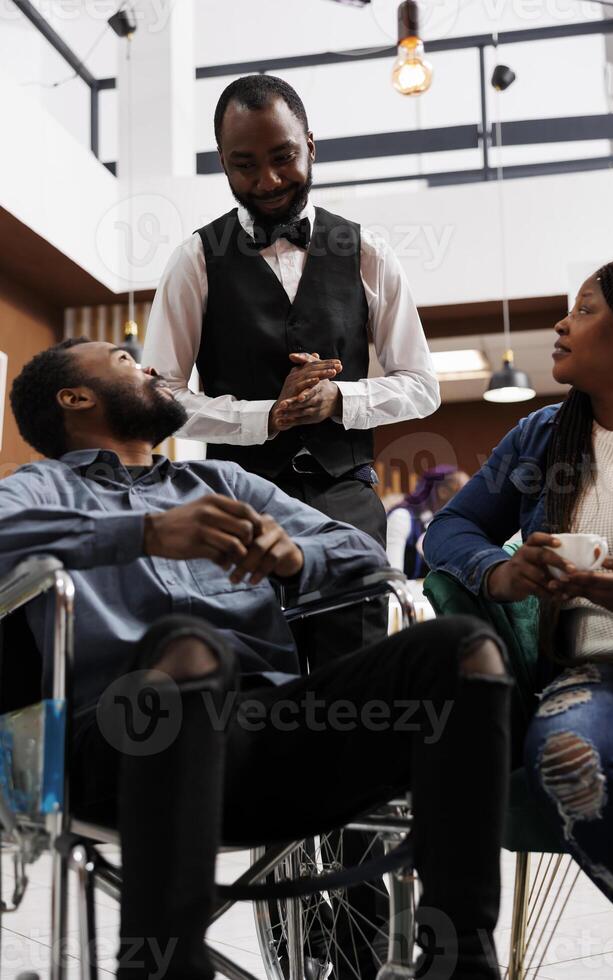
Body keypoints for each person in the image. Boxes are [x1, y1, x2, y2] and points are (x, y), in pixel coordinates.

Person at [5, 338, 510, 980]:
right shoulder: (36, 488)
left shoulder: (227, 483)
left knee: (462, 651)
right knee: (190, 649)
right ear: (75, 397)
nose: (154, 367)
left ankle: (459, 961)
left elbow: (364, 555)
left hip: (269, 734)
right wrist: (143, 533)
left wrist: (298, 558)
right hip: (122, 743)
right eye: (126, 360)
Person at [143, 73, 440, 659]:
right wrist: (266, 417)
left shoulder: (368, 251)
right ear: (223, 164)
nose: (268, 181)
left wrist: (341, 400)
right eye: (245, 165)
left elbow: (421, 385)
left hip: (347, 499)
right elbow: (158, 398)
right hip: (236, 500)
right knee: (255, 671)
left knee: (353, 673)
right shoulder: (195, 259)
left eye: (283, 157)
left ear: (311, 145)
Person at [424, 254, 613, 945]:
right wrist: (501, 573)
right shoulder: (542, 437)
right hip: (599, 675)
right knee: (566, 761)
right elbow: (451, 529)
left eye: (586, 311)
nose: (562, 323)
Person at [386, 466, 469, 577]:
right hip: (408, 591)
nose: (468, 499)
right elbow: (393, 575)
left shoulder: (449, 524)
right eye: (462, 492)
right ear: (443, 492)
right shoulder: (401, 518)